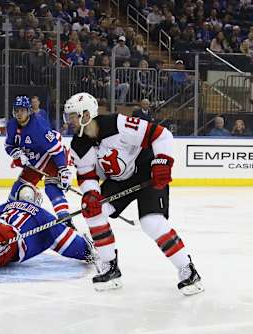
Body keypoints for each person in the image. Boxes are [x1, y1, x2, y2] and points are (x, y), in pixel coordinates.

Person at [63, 92, 204, 296]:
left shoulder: (117, 124)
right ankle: (110, 268)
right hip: (119, 181)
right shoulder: (78, 144)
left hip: (147, 172)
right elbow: (87, 175)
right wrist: (91, 194)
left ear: (86, 115)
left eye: (72, 116)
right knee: (93, 211)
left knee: (151, 223)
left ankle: (188, 271)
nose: (69, 121)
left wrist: (162, 162)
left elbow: (161, 135)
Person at [5, 95, 73, 225]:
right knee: (18, 187)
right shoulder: (11, 125)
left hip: (50, 157)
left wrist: (63, 170)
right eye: (17, 110)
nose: (19, 113)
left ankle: (65, 219)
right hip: (33, 161)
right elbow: (8, 145)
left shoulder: (38, 126)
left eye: (22, 110)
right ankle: (8, 213)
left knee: (51, 187)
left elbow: (56, 149)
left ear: (29, 111)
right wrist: (16, 153)